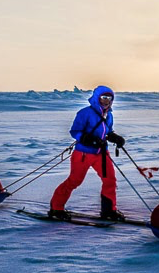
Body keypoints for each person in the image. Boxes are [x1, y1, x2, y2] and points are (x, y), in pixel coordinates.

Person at [49, 85, 128, 221]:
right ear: (97, 98)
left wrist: (115, 137)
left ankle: (109, 211)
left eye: (109, 98)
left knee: (110, 180)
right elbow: (75, 131)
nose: (106, 100)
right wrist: (88, 139)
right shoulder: (85, 113)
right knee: (74, 181)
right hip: (83, 154)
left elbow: (107, 131)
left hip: (102, 154)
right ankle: (56, 208)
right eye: (103, 97)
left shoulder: (109, 115)